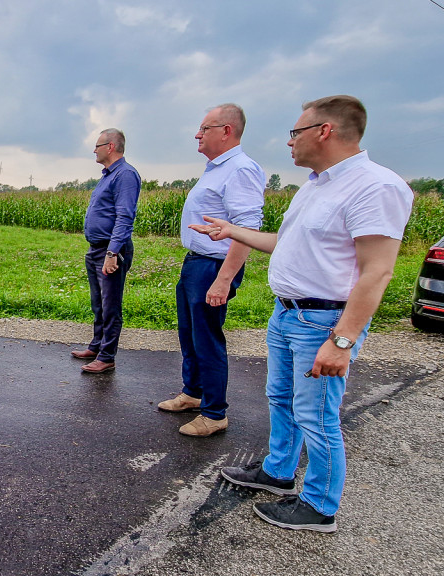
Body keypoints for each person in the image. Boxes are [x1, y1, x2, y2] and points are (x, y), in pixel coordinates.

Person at [192, 95, 413, 532]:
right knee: (282, 400)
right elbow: (287, 243)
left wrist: (343, 340)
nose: (289, 142)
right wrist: (231, 230)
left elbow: (377, 271)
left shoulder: (375, 186)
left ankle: (318, 506)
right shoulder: (315, 185)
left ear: (324, 131)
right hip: (288, 315)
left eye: (296, 132)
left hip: (325, 321)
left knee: (317, 415)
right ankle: (277, 473)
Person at [156, 104, 265, 436]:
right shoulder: (216, 168)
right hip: (196, 262)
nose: (197, 134)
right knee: (189, 335)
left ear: (227, 130)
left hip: (213, 266)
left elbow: (247, 231)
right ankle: (192, 394)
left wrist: (223, 279)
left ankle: (215, 413)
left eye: (205, 128)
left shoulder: (241, 169)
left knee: (207, 339)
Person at [71, 129, 141, 373]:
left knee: (111, 305)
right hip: (96, 249)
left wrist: (112, 253)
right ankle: (97, 346)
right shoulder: (108, 176)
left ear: (111, 147)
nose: (94, 150)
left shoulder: (125, 175)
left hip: (111, 251)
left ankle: (107, 357)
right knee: (98, 303)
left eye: (98, 145)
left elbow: (125, 216)